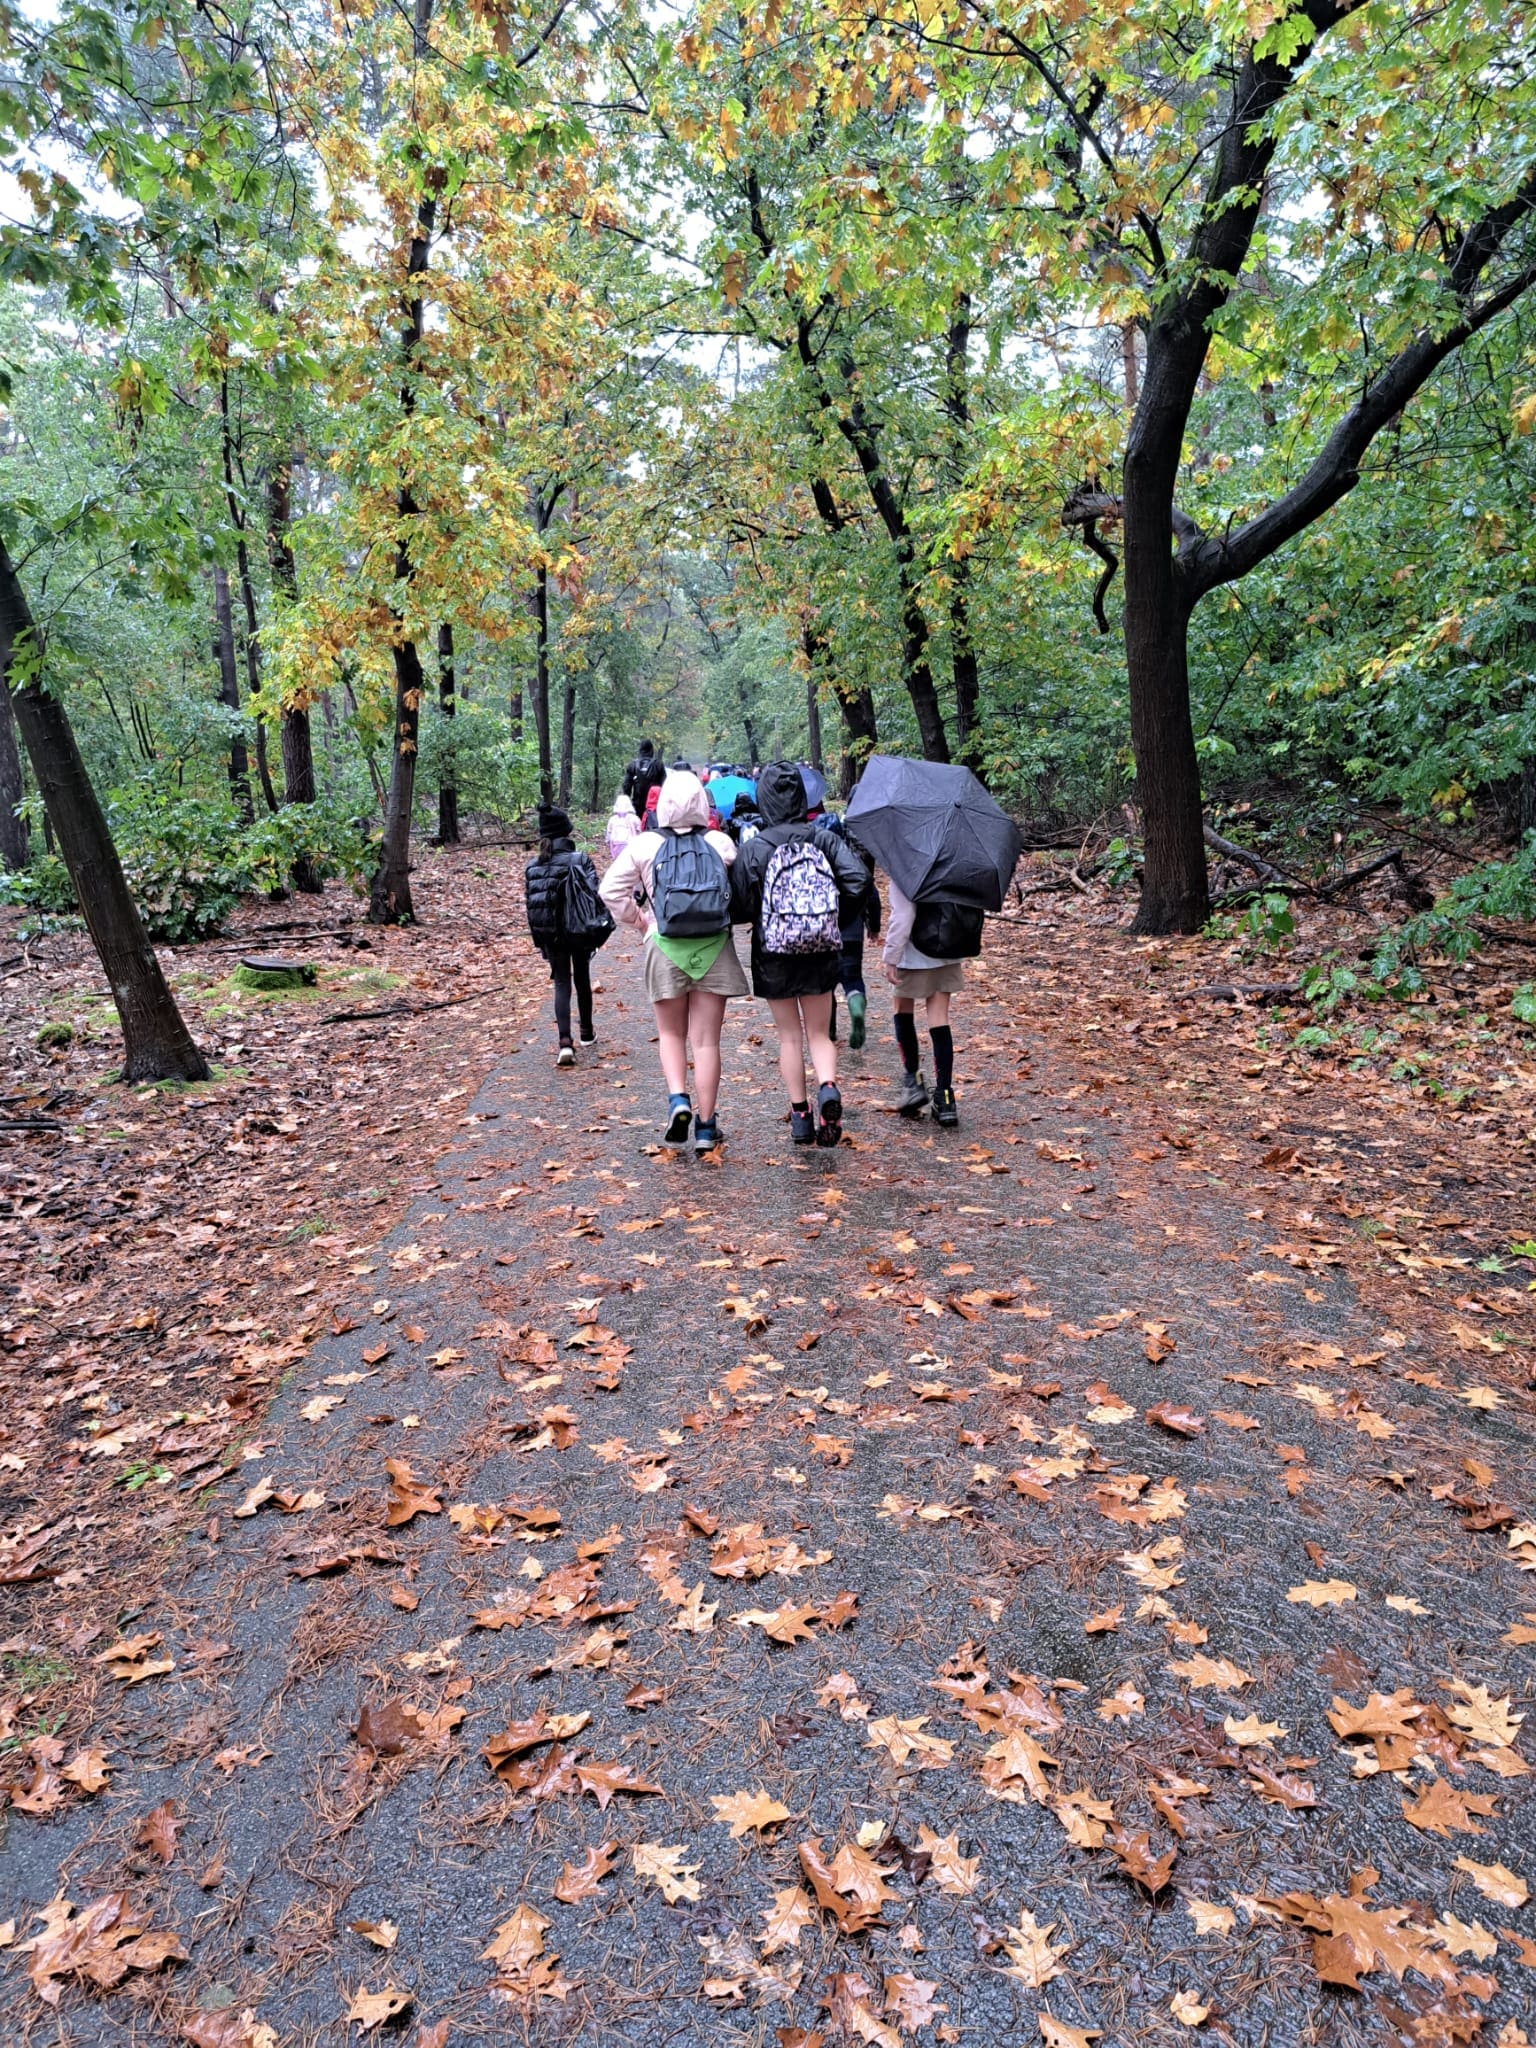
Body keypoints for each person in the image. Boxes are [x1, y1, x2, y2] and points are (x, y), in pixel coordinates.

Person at [599, 770, 746, 1152]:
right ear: (701, 803)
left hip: (665, 947)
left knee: (670, 1034)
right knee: (706, 1042)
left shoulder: (645, 845)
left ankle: (678, 1099)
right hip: (714, 947)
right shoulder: (720, 842)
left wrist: (642, 922)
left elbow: (609, 890)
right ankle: (706, 1127)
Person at [729, 760, 869, 1148]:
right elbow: (858, 880)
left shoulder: (755, 847)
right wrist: (831, 920)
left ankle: (801, 1118)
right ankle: (828, 1089)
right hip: (821, 949)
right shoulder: (823, 839)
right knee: (819, 1033)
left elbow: (738, 905)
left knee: (790, 1036)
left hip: (773, 952)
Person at [883, 882, 981, 1127]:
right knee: (939, 1019)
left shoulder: (906, 866)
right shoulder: (951, 862)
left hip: (914, 952)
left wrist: (890, 957)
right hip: (947, 948)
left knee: (902, 1010)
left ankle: (913, 1081)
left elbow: (904, 915)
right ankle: (945, 1098)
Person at [524, 805, 612, 1067]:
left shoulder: (533, 867)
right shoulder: (579, 859)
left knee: (561, 982)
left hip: (550, 934)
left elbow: (531, 905)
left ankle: (565, 1042)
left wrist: (539, 940)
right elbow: (595, 892)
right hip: (578, 930)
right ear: (566, 832)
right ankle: (586, 1032)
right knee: (582, 977)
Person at [823, 813, 880, 1051]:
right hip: (853, 932)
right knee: (852, 978)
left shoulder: (815, 865)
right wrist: (873, 927)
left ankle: (829, 1029)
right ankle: (856, 1005)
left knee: (825, 984)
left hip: (823, 934)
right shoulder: (852, 863)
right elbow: (872, 893)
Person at [622, 738, 665, 823]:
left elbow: (626, 786)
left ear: (640, 750)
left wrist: (627, 802)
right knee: (654, 827)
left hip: (638, 803)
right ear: (651, 750)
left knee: (637, 827)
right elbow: (665, 784)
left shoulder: (632, 765)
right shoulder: (658, 764)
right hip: (655, 804)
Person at [606, 785, 641, 862]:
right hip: (631, 844)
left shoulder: (612, 819)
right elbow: (639, 831)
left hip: (616, 845)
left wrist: (608, 842)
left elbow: (608, 834)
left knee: (618, 863)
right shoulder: (634, 818)